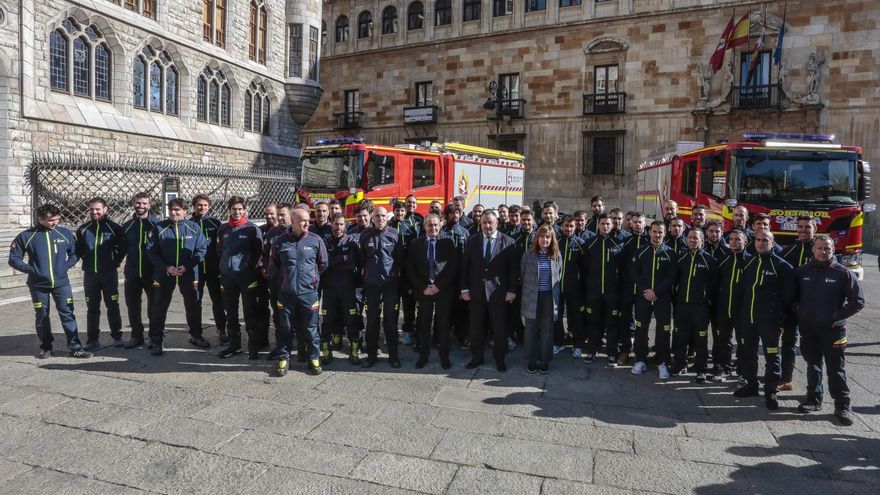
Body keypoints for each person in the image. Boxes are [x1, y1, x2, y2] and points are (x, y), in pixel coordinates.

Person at [794, 235, 864, 425]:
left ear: (833, 250)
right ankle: (813, 399)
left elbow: (858, 301)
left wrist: (835, 317)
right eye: (819, 248)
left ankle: (842, 406)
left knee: (836, 369)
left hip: (834, 330)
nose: (823, 251)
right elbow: (793, 297)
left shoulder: (843, 273)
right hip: (809, 328)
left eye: (827, 248)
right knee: (813, 365)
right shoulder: (802, 272)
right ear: (813, 249)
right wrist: (799, 311)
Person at [8, 204, 92, 359]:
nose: (55, 222)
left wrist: (66, 265)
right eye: (51, 220)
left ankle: (75, 347)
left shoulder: (64, 233)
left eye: (57, 219)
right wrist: (32, 270)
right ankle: (46, 347)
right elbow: (13, 259)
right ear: (40, 219)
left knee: (68, 314)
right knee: (42, 316)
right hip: (38, 285)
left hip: (61, 283)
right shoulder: (26, 236)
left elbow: (75, 253)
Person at [734, 231, 796, 410]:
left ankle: (771, 391)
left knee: (772, 356)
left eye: (765, 240)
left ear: (772, 243)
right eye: (758, 240)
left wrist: (778, 318)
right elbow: (743, 290)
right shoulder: (749, 262)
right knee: (748, 353)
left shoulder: (782, 266)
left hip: (770, 321)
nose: (761, 243)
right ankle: (751, 385)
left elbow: (788, 296)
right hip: (749, 319)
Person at [146, 198, 210, 356]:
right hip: (164, 273)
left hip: (188, 273)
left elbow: (201, 250)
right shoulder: (160, 227)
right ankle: (156, 339)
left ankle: (196, 336)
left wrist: (187, 266)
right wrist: (166, 267)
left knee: (193, 305)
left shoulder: (193, 227)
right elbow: (151, 251)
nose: (173, 213)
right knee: (159, 306)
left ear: (185, 211)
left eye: (177, 210)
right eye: (171, 210)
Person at [270, 208, 328, 376]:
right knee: (285, 328)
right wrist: (285, 281)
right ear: (293, 221)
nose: (306, 223)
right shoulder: (280, 242)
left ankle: (314, 358)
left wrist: (311, 281)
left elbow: (323, 264)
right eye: (302, 220)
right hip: (286, 294)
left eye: (308, 220)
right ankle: (284, 359)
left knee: (311, 328)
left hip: (308, 293)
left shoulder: (316, 240)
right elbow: (274, 265)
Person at [461, 210, 517, 372]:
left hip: (498, 294)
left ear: (497, 223)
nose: (487, 226)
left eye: (490, 222)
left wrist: (511, 290)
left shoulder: (508, 242)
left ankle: (499, 359)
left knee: (499, 330)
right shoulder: (471, 241)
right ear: (480, 223)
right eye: (484, 222)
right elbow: (465, 267)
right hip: (476, 293)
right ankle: (476, 358)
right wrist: (464, 289)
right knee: (476, 329)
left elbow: (513, 270)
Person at [407, 213, 459, 369]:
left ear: (440, 225)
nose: (433, 228)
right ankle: (423, 356)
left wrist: (438, 286)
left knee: (443, 324)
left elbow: (453, 267)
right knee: (424, 324)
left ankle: (444, 357)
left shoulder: (448, 242)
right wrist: (423, 288)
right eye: (430, 225)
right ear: (424, 226)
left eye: (436, 225)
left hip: (442, 290)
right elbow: (410, 268)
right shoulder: (416, 243)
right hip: (424, 291)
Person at [76, 197, 126, 351]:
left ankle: (117, 336)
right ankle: (92, 340)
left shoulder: (114, 228)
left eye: (98, 209)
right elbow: (78, 250)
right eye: (92, 209)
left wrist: (114, 262)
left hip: (109, 275)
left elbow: (122, 249)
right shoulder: (83, 229)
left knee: (112, 305)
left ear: (105, 209)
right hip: (91, 275)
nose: (94, 212)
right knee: (92, 308)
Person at [217, 197, 264, 359]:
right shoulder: (223, 229)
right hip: (228, 278)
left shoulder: (252, 229)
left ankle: (253, 346)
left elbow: (259, 252)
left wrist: (247, 268)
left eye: (239, 209)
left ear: (244, 210)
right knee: (230, 313)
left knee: (250, 312)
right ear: (229, 210)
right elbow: (220, 250)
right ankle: (234, 345)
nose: (236, 212)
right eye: (233, 209)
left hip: (247, 278)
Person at [671, 229, 719, 383]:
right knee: (681, 336)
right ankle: (680, 364)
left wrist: (706, 301)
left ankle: (701, 369)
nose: (692, 240)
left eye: (696, 238)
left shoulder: (710, 260)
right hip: (682, 305)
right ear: (686, 240)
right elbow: (674, 281)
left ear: (702, 241)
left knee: (701, 338)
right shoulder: (680, 258)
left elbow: (714, 285)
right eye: (690, 238)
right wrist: (676, 300)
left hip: (700, 307)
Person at [360, 207, 405, 368]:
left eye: (383, 216)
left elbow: (400, 260)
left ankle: (393, 356)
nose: (380, 218)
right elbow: (361, 260)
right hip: (371, 285)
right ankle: (371, 356)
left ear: (387, 217)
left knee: (390, 321)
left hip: (390, 285)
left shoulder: (394, 234)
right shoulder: (365, 235)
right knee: (372, 321)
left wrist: (396, 280)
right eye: (377, 216)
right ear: (372, 218)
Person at [631, 221, 676, 378]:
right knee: (641, 329)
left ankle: (663, 362)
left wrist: (656, 292)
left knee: (663, 330)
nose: (657, 235)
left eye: (660, 232)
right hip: (643, 297)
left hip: (662, 298)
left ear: (665, 233)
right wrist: (646, 291)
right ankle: (640, 360)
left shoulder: (671, 253)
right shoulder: (641, 251)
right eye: (654, 231)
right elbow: (634, 274)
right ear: (649, 232)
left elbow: (671, 277)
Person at [779, 214, 818, 391]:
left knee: (812, 349)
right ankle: (786, 379)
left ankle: (814, 388)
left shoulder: (820, 251)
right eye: (800, 226)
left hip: (813, 310)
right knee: (788, 343)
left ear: (815, 228)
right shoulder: (786, 252)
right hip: (791, 308)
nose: (803, 230)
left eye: (807, 227)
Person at [320, 213, 363, 365]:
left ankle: (354, 349)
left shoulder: (351, 242)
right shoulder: (324, 241)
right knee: (327, 320)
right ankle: (326, 350)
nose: (338, 227)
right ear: (331, 224)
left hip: (348, 289)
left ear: (345, 225)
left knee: (351, 320)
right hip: (329, 289)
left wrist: (334, 261)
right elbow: (323, 262)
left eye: (341, 224)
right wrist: (341, 259)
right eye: (336, 224)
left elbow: (352, 263)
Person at [520, 224, 563, 374]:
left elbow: (559, 275)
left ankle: (544, 361)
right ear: (537, 238)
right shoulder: (528, 255)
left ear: (552, 239)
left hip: (548, 297)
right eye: (542, 236)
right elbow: (522, 275)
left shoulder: (556, 256)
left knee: (547, 329)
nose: (545, 240)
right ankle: (531, 360)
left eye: (548, 237)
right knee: (530, 329)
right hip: (531, 296)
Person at [583, 213, 624, 365]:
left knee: (611, 323)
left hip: (612, 292)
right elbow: (584, 267)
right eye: (602, 223)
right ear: (598, 225)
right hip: (593, 292)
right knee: (593, 322)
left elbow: (623, 270)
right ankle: (592, 350)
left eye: (608, 224)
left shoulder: (619, 244)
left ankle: (611, 352)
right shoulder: (589, 243)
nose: (605, 226)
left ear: (612, 225)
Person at [121, 192, 160, 349]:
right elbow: (121, 248)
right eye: (138, 203)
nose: (141, 206)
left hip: (152, 272)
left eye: (144, 203)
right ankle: (136, 336)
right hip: (132, 272)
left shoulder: (157, 225)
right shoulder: (127, 226)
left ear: (149, 205)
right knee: (132, 305)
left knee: (154, 306)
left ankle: (155, 337)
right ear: (133, 204)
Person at [712, 229, 751, 382]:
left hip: (742, 310)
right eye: (731, 239)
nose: (734, 242)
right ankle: (724, 368)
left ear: (745, 242)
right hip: (723, 308)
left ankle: (742, 371)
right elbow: (715, 284)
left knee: (743, 341)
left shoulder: (751, 261)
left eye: (738, 239)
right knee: (723, 340)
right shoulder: (722, 260)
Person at [191, 195, 227, 345]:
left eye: (205, 205)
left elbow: (222, 245)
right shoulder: (189, 224)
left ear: (209, 206)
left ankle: (222, 330)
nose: (202, 208)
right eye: (199, 205)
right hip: (196, 269)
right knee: (195, 301)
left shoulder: (215, 223)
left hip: (213, 269)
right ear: (194, 206)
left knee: (218, 300)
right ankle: (196, 334)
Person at [260, 202, 291, 357]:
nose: (280, 218)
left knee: (296, 316)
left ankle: (301, 348)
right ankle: (281, 346)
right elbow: (265, 254)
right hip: (276, 281)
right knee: (278, 315)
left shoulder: (298, 231)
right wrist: (265, 267)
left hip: (293, 282)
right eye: (278, 215)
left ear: (291, 215)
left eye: (283, 215)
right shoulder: (272, 233)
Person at [618, 211, 649, 365]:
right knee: (625, 320)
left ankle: (641, 352)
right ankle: (625, 350)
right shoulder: (625, 241)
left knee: (642, 321)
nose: (637, 224)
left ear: (644, 223)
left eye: (640, 222)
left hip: (644, 288)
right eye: (634, 222)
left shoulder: (650, 241)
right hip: (627, 287)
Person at [554, 216, 587, 358]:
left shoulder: (581, 243)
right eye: (566, 226)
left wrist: (582, 287)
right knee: (557, 316)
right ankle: (558, 342)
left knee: (576, 317)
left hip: (574, 288)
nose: (568, 229)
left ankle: (578, 345)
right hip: (557, 287)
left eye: (571, 226)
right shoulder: (555, 242)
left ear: (575, 227)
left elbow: (585, 268)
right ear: (561, 226)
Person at [390, 201, 419, 348]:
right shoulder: (388, 226)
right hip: (393, 273)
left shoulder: (411, 228)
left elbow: (415, 249)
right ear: (393, 211)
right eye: (397, 210)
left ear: (405, 212)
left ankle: (408, 331)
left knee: (408, 305)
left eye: (402, 211)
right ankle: (391, 332)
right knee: (392, 305)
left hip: (407, 274)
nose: (399, 213)